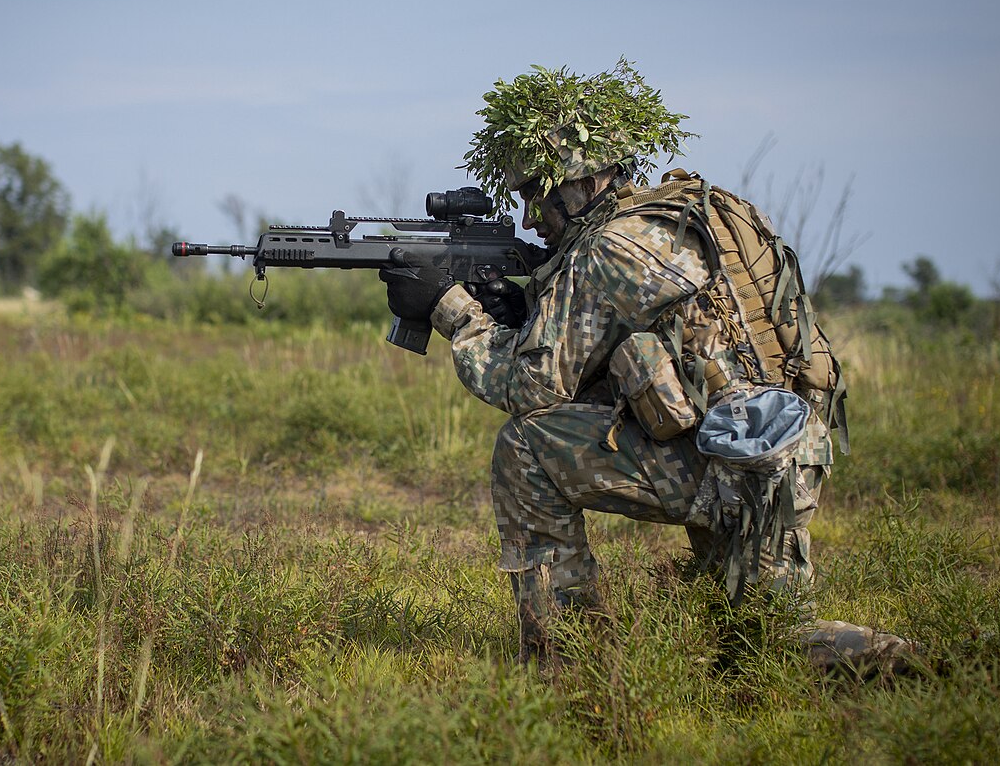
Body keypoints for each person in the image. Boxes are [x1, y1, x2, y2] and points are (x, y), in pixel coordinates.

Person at [379, 61, 915, 672]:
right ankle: (905, 662)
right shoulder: (683, 215)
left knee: (526, 445)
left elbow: (532, 386)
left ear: (580, 182)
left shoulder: (608, 249)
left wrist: (452, 311)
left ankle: (567, 656)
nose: (530, 219)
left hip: (734, 469)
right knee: (748, 643)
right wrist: (525, 314)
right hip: (779, 453)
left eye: (536, 195)